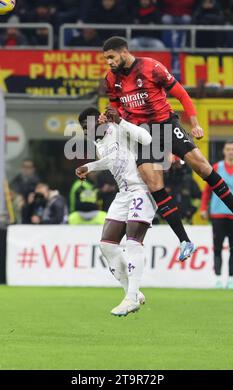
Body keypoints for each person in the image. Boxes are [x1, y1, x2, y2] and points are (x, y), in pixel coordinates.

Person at [101, 36, 233, 256]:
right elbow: (115, 107)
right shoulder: (111, 79)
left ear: (123, 52)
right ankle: (184, 240)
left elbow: (182, 94)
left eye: (111, 57)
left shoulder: (151, 67)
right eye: (106, 58)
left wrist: (195, 124)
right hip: (142, 134)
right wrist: (108, 117)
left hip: (166, 124)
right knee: (155, 185)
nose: (108, 62)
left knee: (202, 167)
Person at [76, 106, 158, 316]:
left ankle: (130, 298)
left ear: (100, 120)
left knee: (132, 242)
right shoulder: (99, 143)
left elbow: (147, 139)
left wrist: (121, 121)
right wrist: (90, 166)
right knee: (107, 246)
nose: (86, 131)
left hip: (142, 188)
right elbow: (112, 161)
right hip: (124, 193)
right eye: (83, 129)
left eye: (88, 125)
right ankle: (133, 293)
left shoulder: (117, 127)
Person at [200, 142, 233, 288]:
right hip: (217, 214)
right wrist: (203, 208)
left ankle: (231, 278)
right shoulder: (216, 167)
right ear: (224, 151)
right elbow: (207, 190)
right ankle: (218, 277)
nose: (231, 152)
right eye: (228, 149)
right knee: (218, 246)